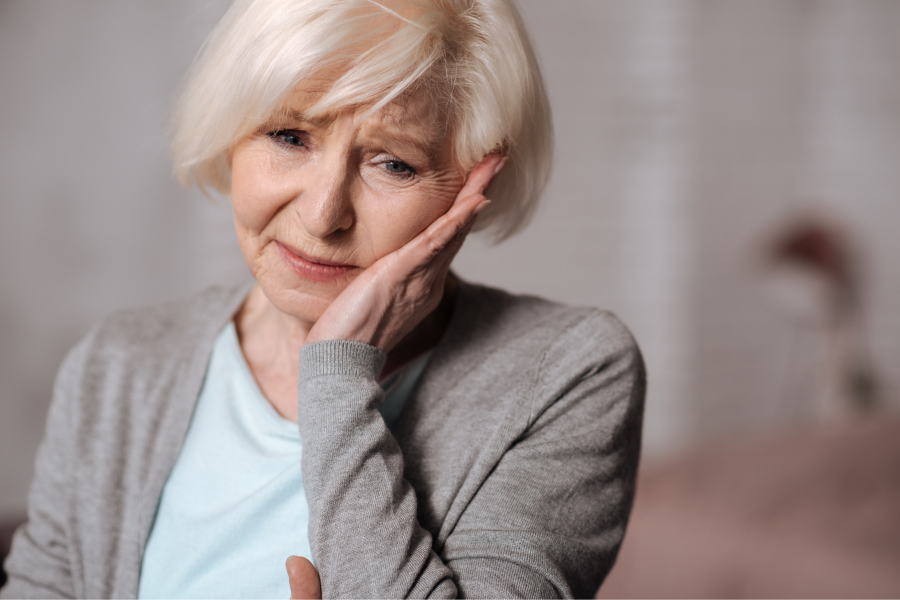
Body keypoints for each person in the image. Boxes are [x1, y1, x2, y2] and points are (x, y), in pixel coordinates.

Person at [1, 0, 645, 597]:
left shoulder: (569, 369)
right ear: (231, 132)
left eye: (394, 163)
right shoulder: (121, 362)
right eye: (289, 136)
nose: (322, 214)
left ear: (473, 187)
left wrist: (337, 369)